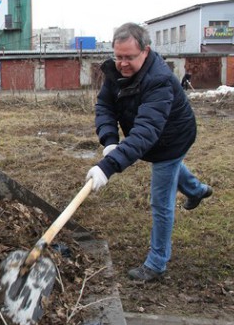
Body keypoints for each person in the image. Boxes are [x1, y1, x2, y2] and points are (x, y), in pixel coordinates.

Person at [85, 22, 212, 282]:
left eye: (129, 57)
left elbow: (145, 132)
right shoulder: (115, 73)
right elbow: (105, 106)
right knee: (172, 170)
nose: (123, 64)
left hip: (171, 140)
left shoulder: (159, 80)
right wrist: (110, 141)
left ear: (146, 51)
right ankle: (197, 190)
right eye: (118, 56)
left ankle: (156, 263)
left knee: (161, 199)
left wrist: (108, 166)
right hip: (151, 139)